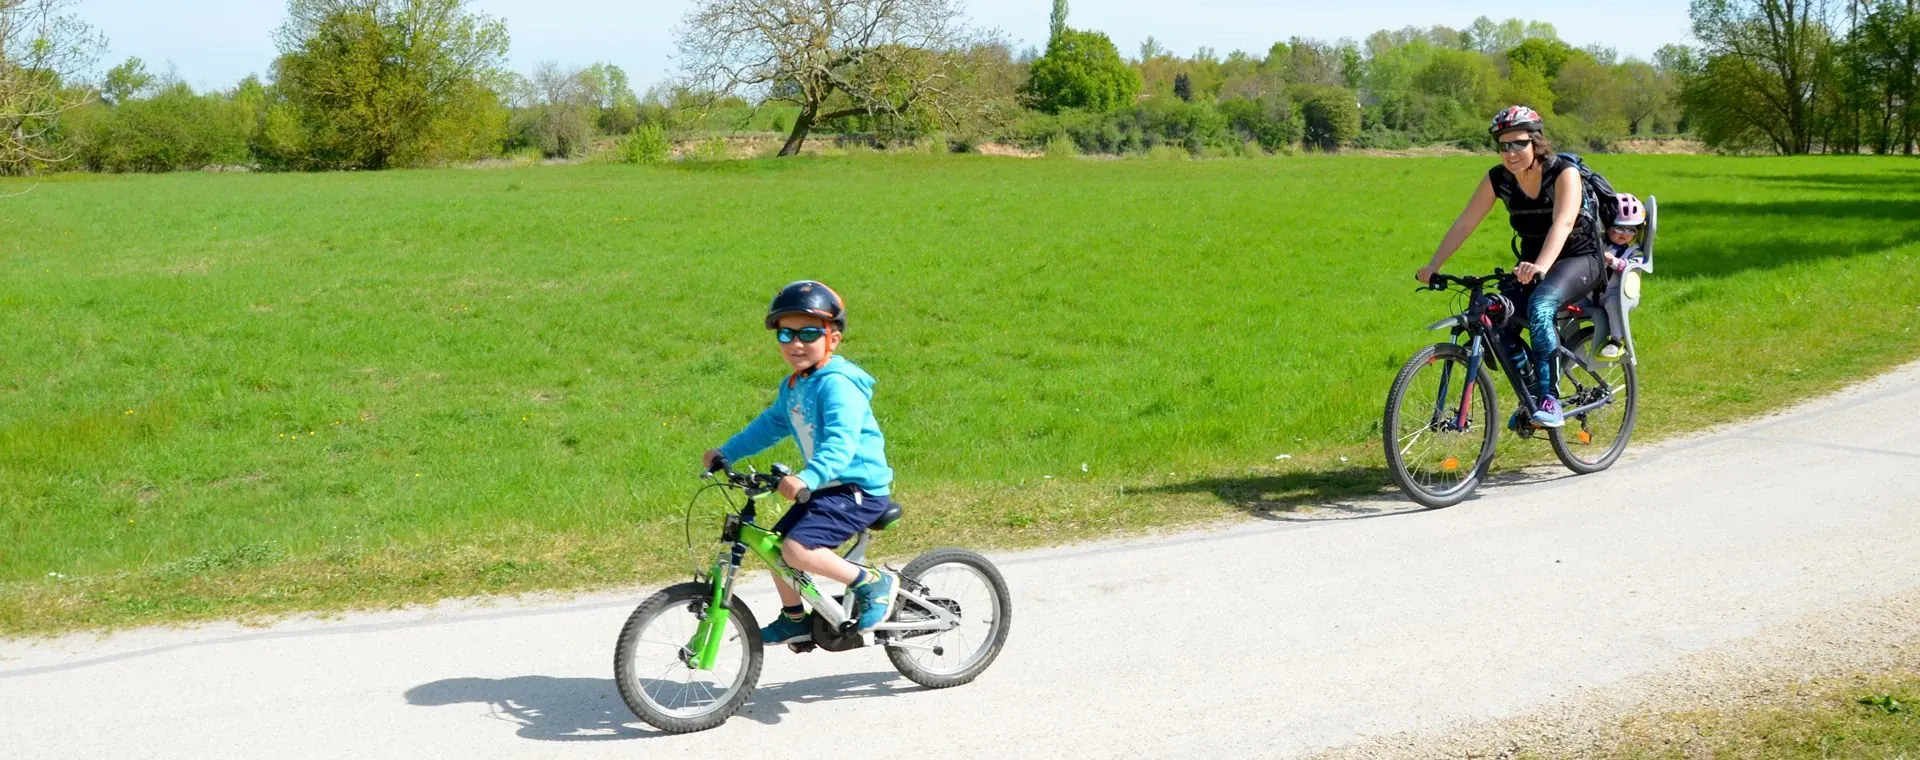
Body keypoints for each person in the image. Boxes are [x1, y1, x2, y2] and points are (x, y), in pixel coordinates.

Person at [701, 280, 898, 645]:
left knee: (797, 548)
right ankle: (795, 618)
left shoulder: (838, 384)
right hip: (827, 487)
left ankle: (872, 582)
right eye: (786, 334)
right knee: (776, 547)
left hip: (858, 488)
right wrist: (727, 452)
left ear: (832, 339)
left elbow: (842, 441)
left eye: (808, 333)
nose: (796, 343)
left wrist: (808, 477)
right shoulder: (794, 385)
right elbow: (770, 425)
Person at [1415, 105, 1607, 428]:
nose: (1511, 152)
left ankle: (1550, 399)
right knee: (1493, 314)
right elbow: (1465, 223)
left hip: (1579, 259)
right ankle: (1531, 389)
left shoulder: (1563, 173)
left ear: (1536, 142)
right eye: (1503, 146)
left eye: (1518, 143)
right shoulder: (1499, 180)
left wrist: (1541, 266)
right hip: (1533, 264)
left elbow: (1563, 224)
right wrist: (1434, 264)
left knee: (1540, 306)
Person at [1597, 193, 1651, 361]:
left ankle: (1616, 340)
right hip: (1592, 293)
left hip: (1619, 294)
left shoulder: (1634, 251)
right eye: (1619, 228)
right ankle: (1562, 340)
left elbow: (1632, 267)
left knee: (1613, 305)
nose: (1625, 234)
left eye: (1631, 230)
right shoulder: (1601, 244)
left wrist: (1614, 262)